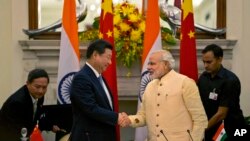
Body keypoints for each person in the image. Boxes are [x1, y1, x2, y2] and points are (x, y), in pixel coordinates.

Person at [121, 50, 208, 141]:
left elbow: (200, 119)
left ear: (165, 64)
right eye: (148, 64)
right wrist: (129, 120)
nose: (148, 67)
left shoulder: (185, 83)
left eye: (152, 64)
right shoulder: (150, 86)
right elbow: (143, 116)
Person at [69, 39, 125, 141]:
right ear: (95, 55)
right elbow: (91, 108)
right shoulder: (81, 78)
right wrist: (117, 117)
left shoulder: (99, 77)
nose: (110, 62)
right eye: (108, 58)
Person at [197, 44, 248, 140]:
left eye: (209, 62)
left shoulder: (230, 80)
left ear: (219, 59)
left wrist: (201, 129)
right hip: (211, 126)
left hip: (229, 129)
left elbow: (221, 114)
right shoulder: (203, 77)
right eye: (204, 62)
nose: (205, 65)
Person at [0, 68, 60, 141]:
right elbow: (17, 132)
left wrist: (50, 126)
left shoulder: (38, 96)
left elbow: (35, 117)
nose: (41, 91)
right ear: (28, 83)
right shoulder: (17, 102)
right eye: (37, 87)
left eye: (44, 87)